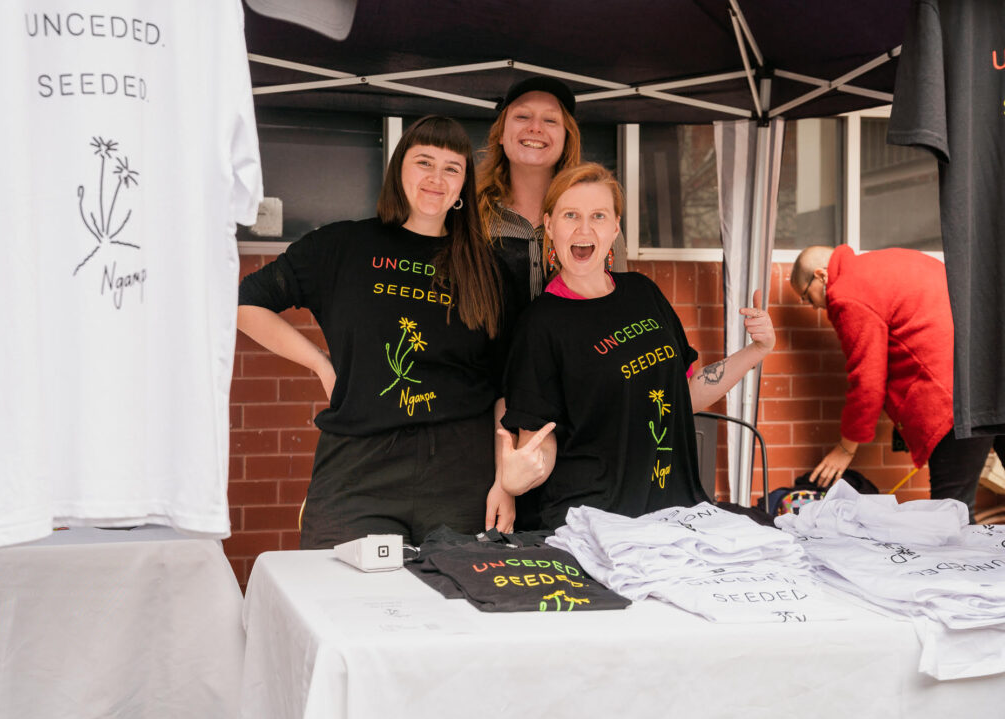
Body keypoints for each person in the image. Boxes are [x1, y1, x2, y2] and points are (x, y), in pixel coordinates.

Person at [237, 116, 516, 548]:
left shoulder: (489, 270)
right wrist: (320, 364)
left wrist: (504, 482)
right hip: (357, 468)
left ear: (464, 185)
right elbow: (245, 303)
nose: (436, 179)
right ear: (399, 168)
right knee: (339, 600)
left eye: (451, 168)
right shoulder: (342, 247)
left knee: (454, 605)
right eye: (424, 162)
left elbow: (503, 388)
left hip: (460, 472)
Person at [498, 163, 775, 530]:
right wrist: (519, 477)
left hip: (673, 512)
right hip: (599, 523)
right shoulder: (540, 324)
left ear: (615, 228)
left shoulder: (643, 293)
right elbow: (540, 443)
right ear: (550, 226)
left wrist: (756, 350)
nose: (584, 229)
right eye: (570, 215)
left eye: (598, 216)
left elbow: (683, 394)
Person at [791, 244, 1003, 520]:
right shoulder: (890, 260)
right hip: (993, 373)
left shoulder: (847, 292)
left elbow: (867, 382)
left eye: (807, 297)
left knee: (952, 512)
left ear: (821, 275)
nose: (814, 306)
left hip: (956, 397)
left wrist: (846, 448)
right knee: (955, 509)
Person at [477, 76, 627, 308]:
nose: (535, 127)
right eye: (522, 116)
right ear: (499, 135)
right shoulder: (470, 214)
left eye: (550, 120)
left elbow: (617, 310)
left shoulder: (598, 223)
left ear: (567, 138)